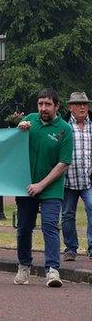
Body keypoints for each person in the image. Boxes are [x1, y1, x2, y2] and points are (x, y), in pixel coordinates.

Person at [14, 89, 72, 288]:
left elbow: (63, 163)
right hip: (26, 186)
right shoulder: (30, 121)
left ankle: (53, 270)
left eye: (48, 104)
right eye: (40, 104)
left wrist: (41, 185)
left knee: (50, 227)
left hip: (51, 188)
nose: (43, 108)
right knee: (23, 229)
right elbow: (12, 144)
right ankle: (23, 266)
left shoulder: (65, 129)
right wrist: (18, 129)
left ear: (56, 106)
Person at [62, 92, 92, 261]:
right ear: (70, 107)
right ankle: (71, 248)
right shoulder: (64, 126)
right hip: (68, 180)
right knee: (67, 214)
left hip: (88, 180)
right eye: (79, 104)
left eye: (85, 104)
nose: (82, 107)